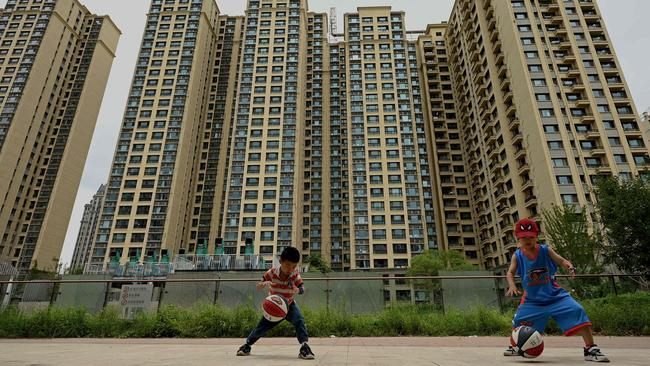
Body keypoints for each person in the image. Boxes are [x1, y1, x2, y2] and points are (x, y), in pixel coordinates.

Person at [503, 217, 609, 362]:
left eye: (531, 237)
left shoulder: (546, 250)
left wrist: (569, 266)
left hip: (555, 296)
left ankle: (590, 349)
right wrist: (512, 284)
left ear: (536, 236)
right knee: (519, 320)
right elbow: (510, 272)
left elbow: (561, 260)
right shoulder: (517, 255)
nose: (527, 240)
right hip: (532, 301)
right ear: (518, 238)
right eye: (523, 238)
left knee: (578, 310)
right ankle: (516, 344)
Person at [237, 246, 315, 360]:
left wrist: (298, 290)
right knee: (261, 327)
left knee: (299, 321)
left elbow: (302, 288)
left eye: (293, 266)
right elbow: (260, 283)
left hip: (289, 305)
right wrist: (261, 285)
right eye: (287, 265)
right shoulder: (272, 272)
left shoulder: (295, 275)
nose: (290, 269)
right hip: (274, 306)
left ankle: (304, 347)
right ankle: (247, 345)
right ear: (281, 261)